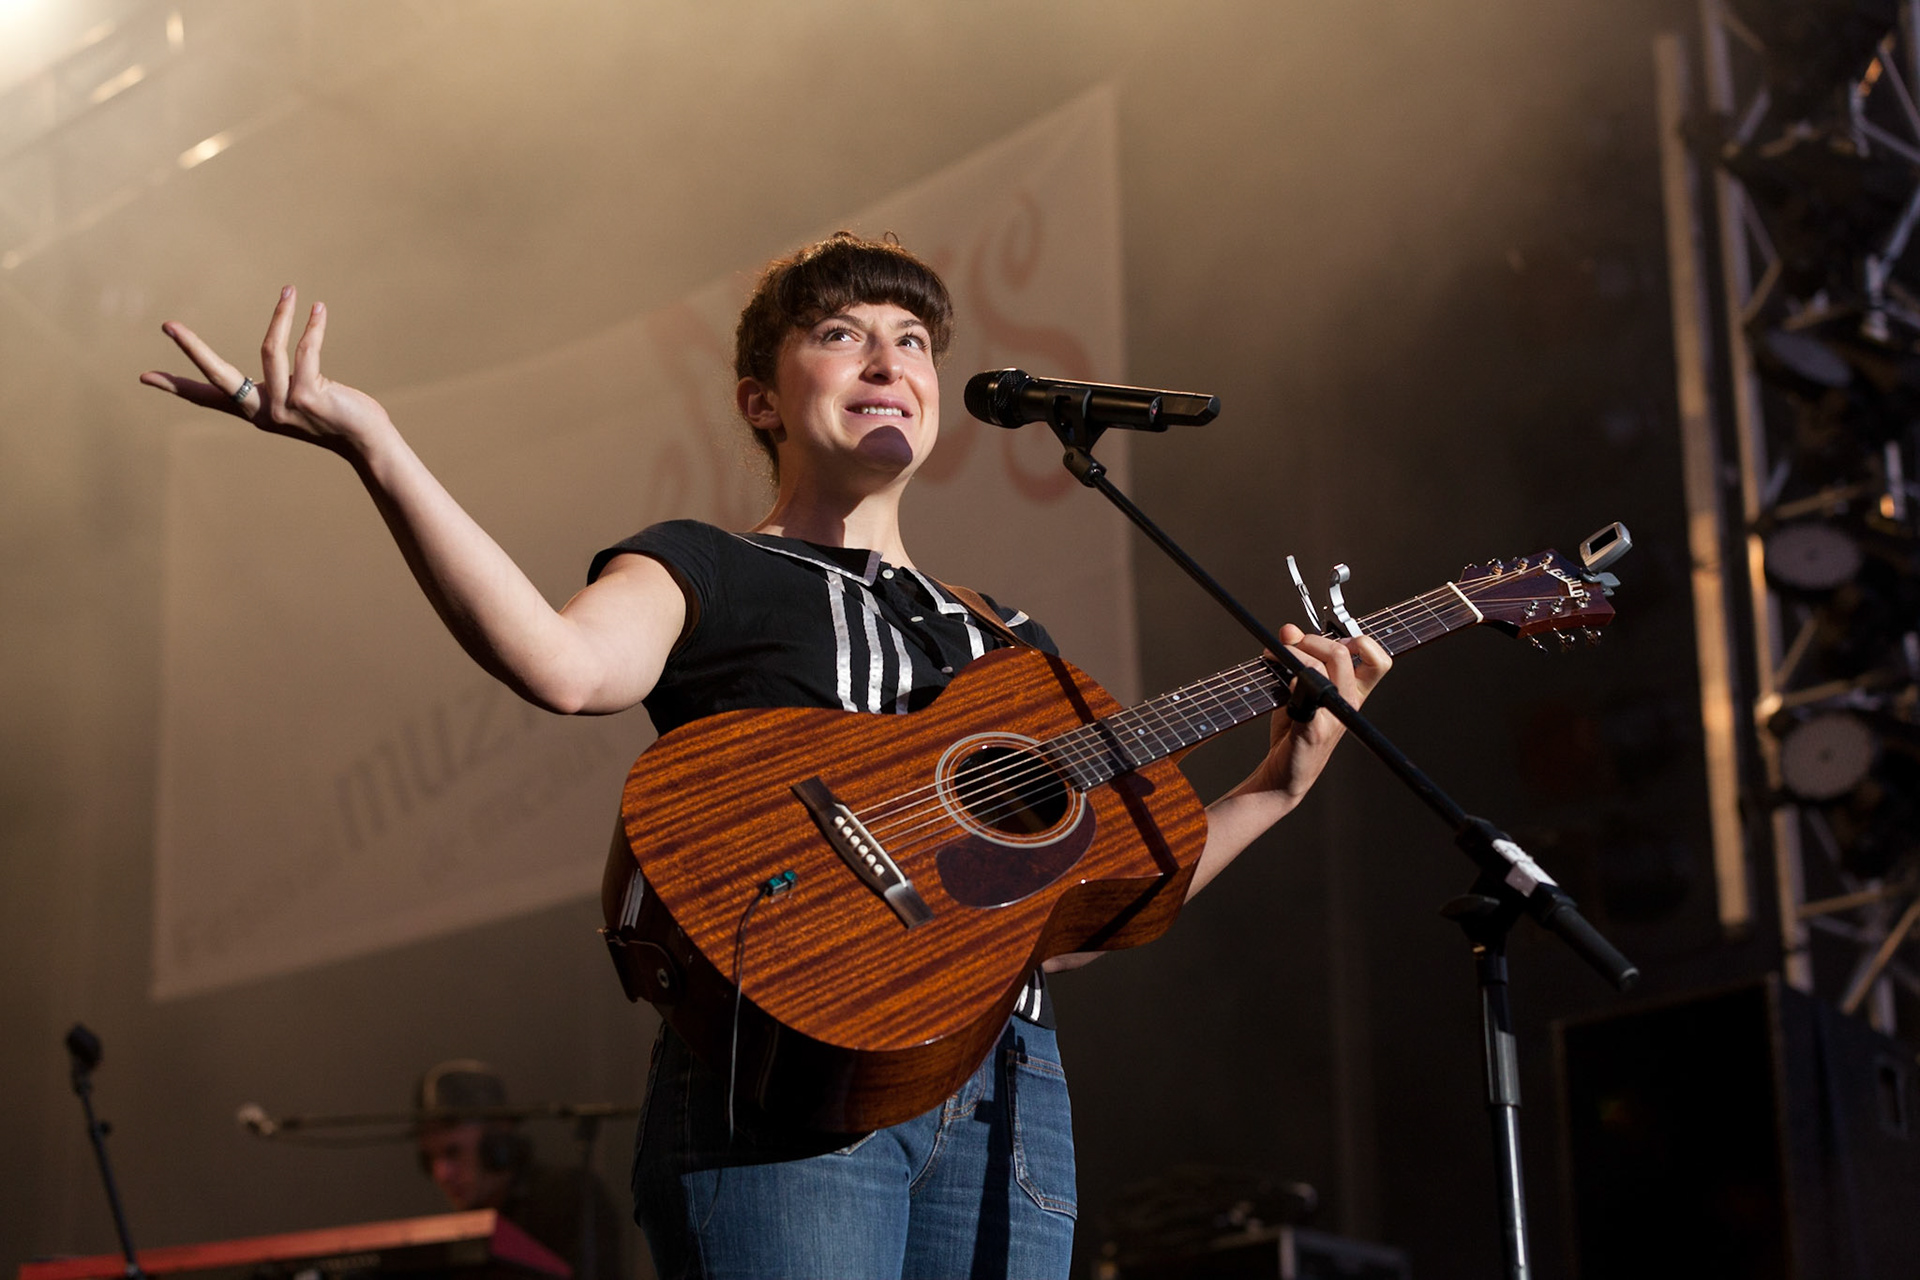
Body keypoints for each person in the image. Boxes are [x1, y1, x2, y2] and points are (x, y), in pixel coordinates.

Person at [142, 232, 1389, 1280]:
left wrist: (1277, 784)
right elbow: (563, 666)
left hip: (1009, 1092)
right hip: (784, 1083)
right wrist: (374, 442)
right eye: (844, 334)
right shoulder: (705, 564)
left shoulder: (1009, 642)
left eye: (913, 340)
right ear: (758, 398)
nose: (889, 361)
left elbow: (1058, 920)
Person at [412, 1059, 624, 1280]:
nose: (441, 1173)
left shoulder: (568, 1196)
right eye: (429, 1159)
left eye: (453, 1152)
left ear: (497, 1141)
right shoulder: (460, 1230)